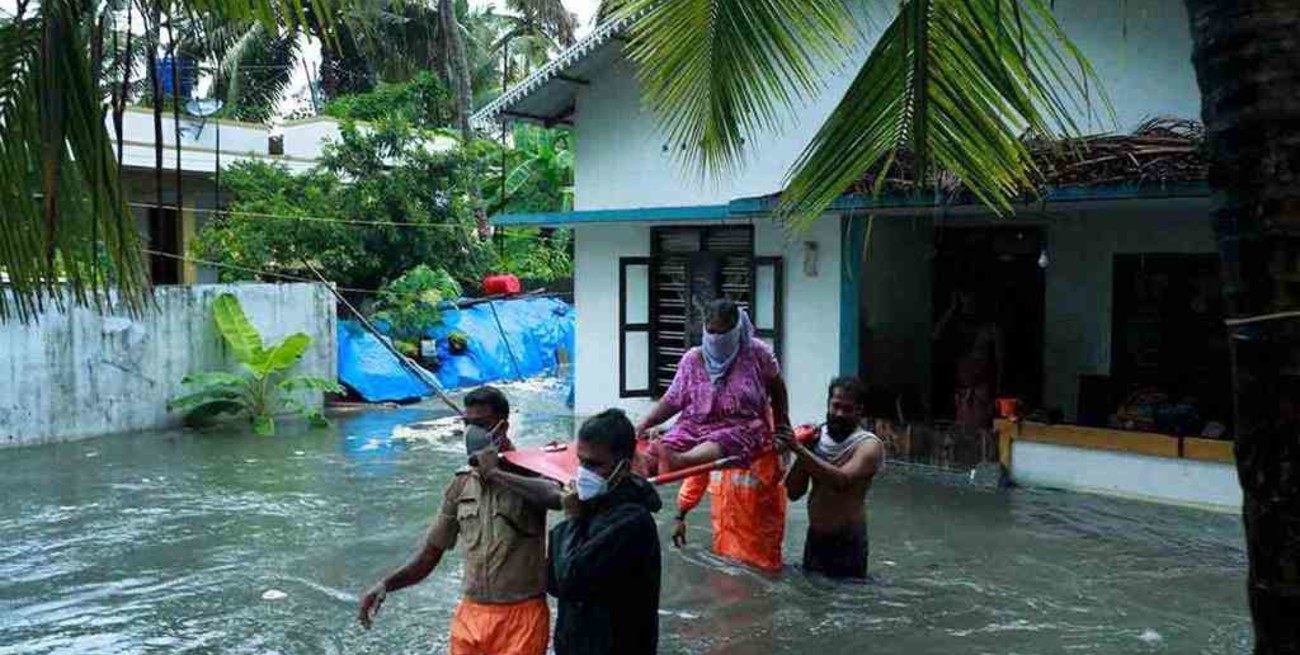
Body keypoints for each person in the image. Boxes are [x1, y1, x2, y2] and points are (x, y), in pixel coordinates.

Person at [357, 386, 561, 655]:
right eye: (468, 424)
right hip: (471, 612)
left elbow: (557, 497)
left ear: (502, 428)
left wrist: (497, 473)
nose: (471, 433)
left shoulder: (531, 472)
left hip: (521, 615)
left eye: (481, 425)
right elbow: (430, 554)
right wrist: (386, 584)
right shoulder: (461, 483)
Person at [548, 409, 662, 655]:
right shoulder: (592, 507)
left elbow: (569, 581)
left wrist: (572, 519)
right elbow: (554, 582)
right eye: (581, 462)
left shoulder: (631, 521)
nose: (583, 472)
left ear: (622, 467)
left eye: (594, 464)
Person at [636, 297, 792, 474]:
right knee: (669, 442)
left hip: (740, 425)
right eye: (711, 332)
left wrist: (782, 428)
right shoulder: (693, 359)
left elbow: (778, 389)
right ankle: (643, 464)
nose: (716, 338)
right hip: (694, 424)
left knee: (725, 439)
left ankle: (681, 461)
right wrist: (644, 424)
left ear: (736, 329)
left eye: (723, 333)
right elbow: (673, 400)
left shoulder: (757, 353)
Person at [779, 377, 886, 580]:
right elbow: (793, 492)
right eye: (835, 406)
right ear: (828, 404)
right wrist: (806, 448)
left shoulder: (868, 446)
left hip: (848, 542)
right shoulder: (815, 440)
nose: (839, 413)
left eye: (847, 409)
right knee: (812, 604)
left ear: (859, 410)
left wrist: (799, 450)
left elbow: (841, 481)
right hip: (815, 539)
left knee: (846, 607)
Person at [672, 448, 787, 574]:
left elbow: (779, 474)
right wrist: (680, 517)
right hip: (722, 551)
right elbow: (695, 480)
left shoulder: (765, 447)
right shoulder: (714, 447)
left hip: (759, 557)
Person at [933, 288, 1004, 431]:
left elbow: (1001, 362)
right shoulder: (958, 328)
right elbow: (936, 336)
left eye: (971, 302)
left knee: (980, 433)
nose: (968, 306)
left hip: (982, 392)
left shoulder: (991, 329)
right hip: (961, 391)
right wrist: (951, 310)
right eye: (964, 302)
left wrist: (997, 394)